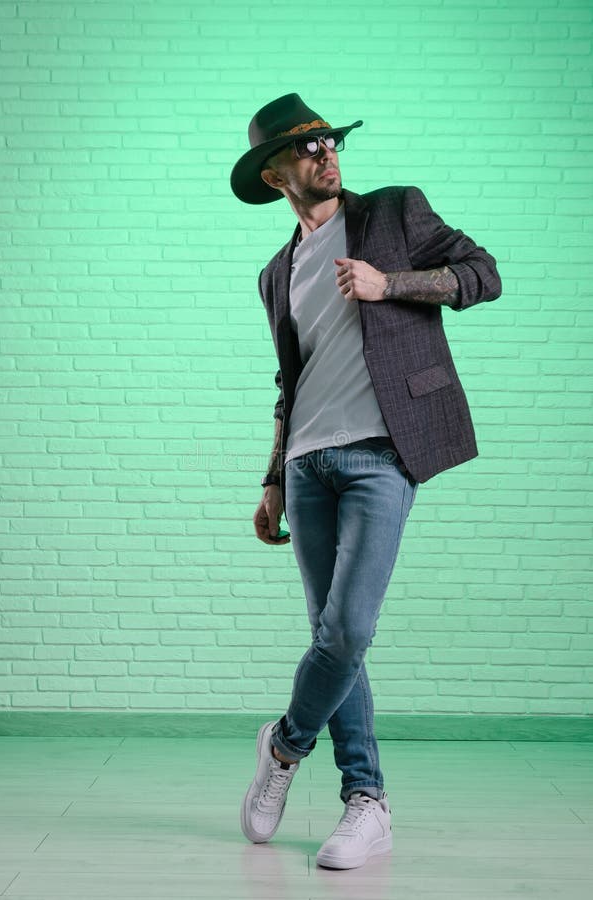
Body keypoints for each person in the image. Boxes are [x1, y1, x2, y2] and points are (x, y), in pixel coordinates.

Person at [230, 93, 502, 870]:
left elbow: (483, 275)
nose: (324, 153)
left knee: (348, 629)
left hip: (386, 451)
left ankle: (282, 750)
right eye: (305, 148)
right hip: (310, 463)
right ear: (275, 171)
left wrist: (393, 286)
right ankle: (366, 801)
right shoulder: (275, 272)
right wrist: (273, 477)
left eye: (327, 140)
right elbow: (291, 379)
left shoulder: (393, 212)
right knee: (332, 637)